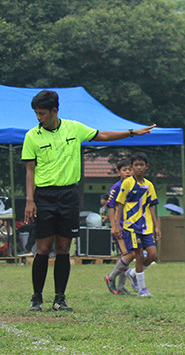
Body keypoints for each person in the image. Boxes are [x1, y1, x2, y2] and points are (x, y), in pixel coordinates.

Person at [22, 89, 155, 311]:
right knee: (43, 248)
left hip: (68, 195)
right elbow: (30, 171)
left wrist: (131, 132)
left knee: (64, 247)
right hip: (44, 196)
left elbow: (103, 135)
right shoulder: (31, 136)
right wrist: (30, 200)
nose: (39, 117)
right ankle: (37, 298)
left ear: (55, 111)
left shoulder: (74, 128)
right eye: (36, 113)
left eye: (42, 113)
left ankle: (59, 299)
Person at [115, 152, 160, 298]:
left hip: (146, 226)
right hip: (131, 226)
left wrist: (156, 226)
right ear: (132, 167)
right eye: (136, 165)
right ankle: (142, 289)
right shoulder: (127, 183)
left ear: (146, 167)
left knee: (153, 255)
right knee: (139, 254)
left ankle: (134, 273)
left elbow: (151, 206)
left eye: (141, 165)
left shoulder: (149, 185)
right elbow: (120, 204)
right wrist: (117, 225)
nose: (139, 168)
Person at [104, 158, 135, 295]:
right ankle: (111, 278)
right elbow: (111, 207)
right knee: (127, 254)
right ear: (119, 172)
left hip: (132, 226)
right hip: (120, 226)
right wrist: (114, 226)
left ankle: (121, 287)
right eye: (124, 170)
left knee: (128, 257)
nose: (128, 172)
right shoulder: (116, 187)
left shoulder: (135, 185)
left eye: (130, 169)